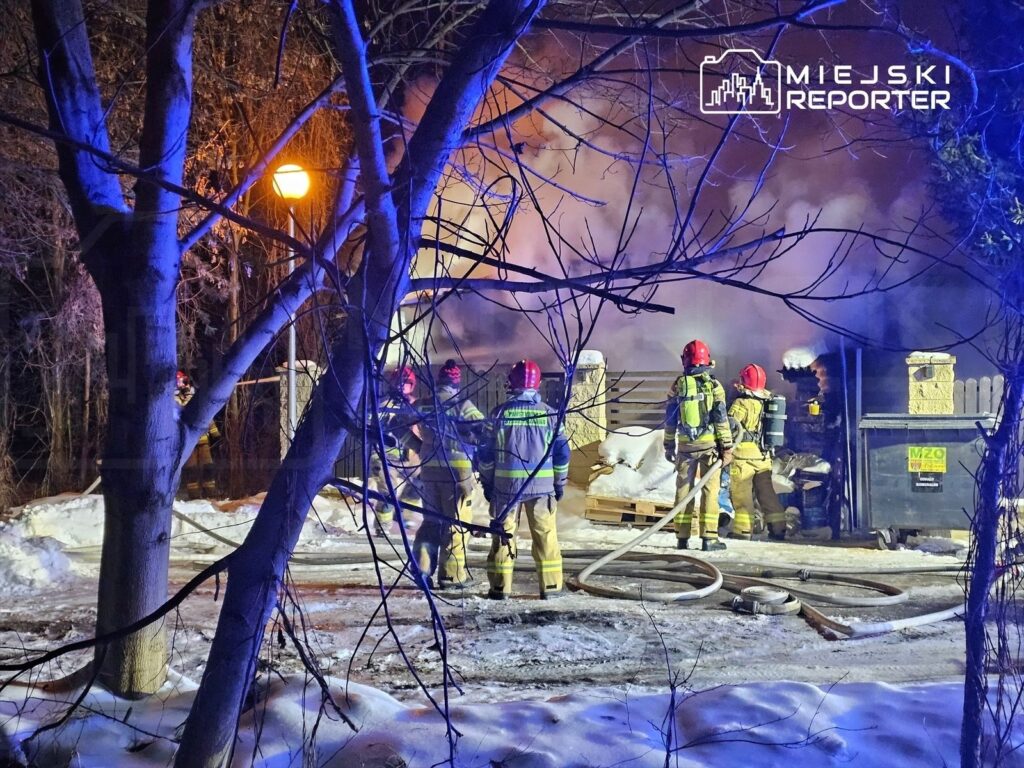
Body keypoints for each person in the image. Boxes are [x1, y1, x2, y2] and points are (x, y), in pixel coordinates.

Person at [478, 359, 570, 600]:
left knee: (503, 538)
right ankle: (551, 588)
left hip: (505, 489)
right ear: (537, 384)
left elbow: (485, 454)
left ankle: (500, 589)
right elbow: (562, 454)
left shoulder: (498, 415)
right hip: (542, 490)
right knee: (546, 537)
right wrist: (559, 483)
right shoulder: (551, 415)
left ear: (512, 383)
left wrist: (488, 482)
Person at [412, 359, 485, 590]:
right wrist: (471, 442)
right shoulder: (463, 405)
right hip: (457, 474)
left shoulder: (424, 404)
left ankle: (422, 570)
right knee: (456, 525)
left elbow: (398, 421)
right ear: (456, 383)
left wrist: (416, 445)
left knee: (430, 522)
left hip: (429, 473)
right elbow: (484, 431)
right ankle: (451, 576)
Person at [663, 340, 733, 551]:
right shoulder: (714, 386)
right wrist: (727, 447)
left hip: (685, 447)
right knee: (709, 491)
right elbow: (721, 419)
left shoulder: (677, 386)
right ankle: (709, 538)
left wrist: (668, 444)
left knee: (683, 490)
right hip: (709, 447)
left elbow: (670, 419)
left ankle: (682, 538)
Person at [728, 363, 787, 541]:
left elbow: (730, 426)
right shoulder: (769, 401)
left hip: (743, 457)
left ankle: (743, 531)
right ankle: (778, 528)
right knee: (767, 493)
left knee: (742, 494)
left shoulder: (741, 403)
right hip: (764, 456)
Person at [368, 365, 421, 536]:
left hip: (410, 458)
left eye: (405, 382)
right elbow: (372, 432)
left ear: (412, 385)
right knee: (387, 493)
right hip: (386, 458)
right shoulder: (383, 407)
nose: (401, 386)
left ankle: (403, 515)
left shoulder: (416, 406)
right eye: (398, 382)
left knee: (422, 481)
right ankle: (382, 528)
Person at [175, 371, 221, 499]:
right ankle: (194, 495)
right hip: (188, 441)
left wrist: (215, 433)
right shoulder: (174, 401)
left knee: (208, 466)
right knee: (192, 468)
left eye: (184, 381)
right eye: (180, 382)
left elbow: (206, 416)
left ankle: (210, 491)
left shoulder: (195, 397)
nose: (183, 384)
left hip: (203, 439)